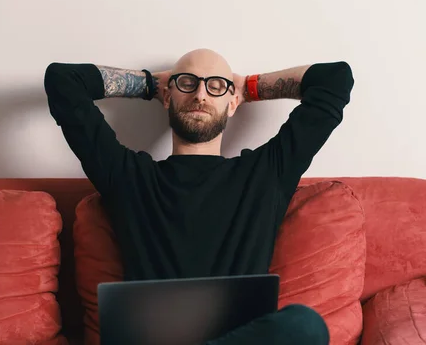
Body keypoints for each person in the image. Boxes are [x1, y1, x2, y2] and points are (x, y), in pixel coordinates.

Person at [44, 48, 354, 345]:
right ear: (168, 95)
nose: (201, 95)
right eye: (187, 82)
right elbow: (63, 81)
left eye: (216, 86)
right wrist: (151, 84)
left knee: (304, 325)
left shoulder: (267, 173)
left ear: (232, 103)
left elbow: (335, 79)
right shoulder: (128, 176)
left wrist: (248, 87)